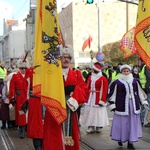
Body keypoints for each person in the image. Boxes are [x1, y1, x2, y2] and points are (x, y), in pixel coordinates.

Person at [42, 45, 89, 150]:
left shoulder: (76, 74)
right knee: (54, 134)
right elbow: (46, 88)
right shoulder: (52, 73)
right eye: (63, 57)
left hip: (70, 108)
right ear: (59, 58)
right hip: (55, 109)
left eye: (68, 57)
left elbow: (84, 89)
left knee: (71, 134)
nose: (66, 59)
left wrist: (75, 91)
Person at [108, 64, 148, 149]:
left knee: (132, 124)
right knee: (121, 124)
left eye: (127, 71)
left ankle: (130, 141)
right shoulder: (117, 82)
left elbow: (140, 92)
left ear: (130, 71)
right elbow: (113, 94)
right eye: (124, 71)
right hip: (121, 106)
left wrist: (143, 101)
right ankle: (120, 138)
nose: (126, 73)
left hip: (133, 106)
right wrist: (112, 104)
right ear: (121, 72)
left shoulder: (135, 81)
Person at [81, 62, 109, 133]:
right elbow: (87, 86)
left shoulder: (103, 78)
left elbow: (104, 90)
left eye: (93, 69)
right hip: (90, 97)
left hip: (98, 97)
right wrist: (85, 95)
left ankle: (98, 126)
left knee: (98, 113)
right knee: (90, 112)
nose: (91, 70)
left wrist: (102, 100)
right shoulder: (90, 77)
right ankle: (91, 126)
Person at [9, 59, 29, 139]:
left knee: (28, 114)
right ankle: (22, 129)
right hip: (20, 97)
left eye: (25, 68)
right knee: (21, 115)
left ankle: (27, 128)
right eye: (22, 68)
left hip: (28, 97)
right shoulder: (15, 76)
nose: (24, 70)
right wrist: (12, 97)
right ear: (19, 68)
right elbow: (11, 88)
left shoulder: (29, 76)